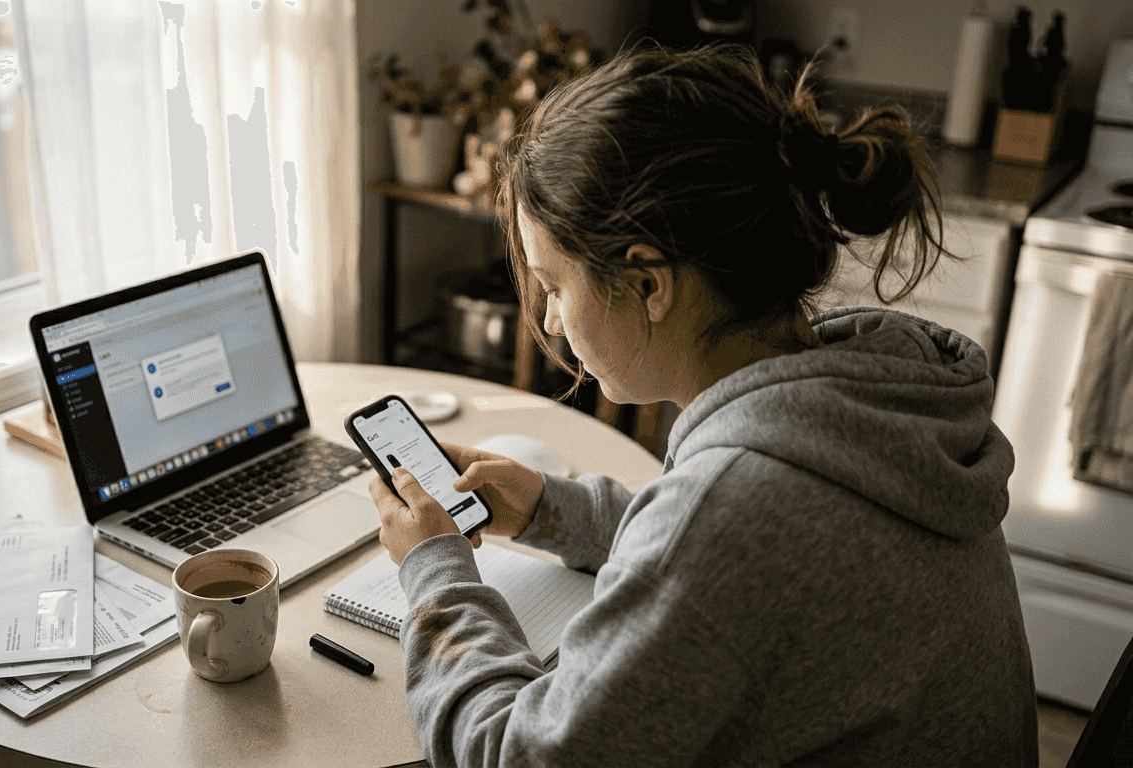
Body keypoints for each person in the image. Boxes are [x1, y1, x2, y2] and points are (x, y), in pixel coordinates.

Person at [368, 44, 1037, 767]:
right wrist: (553, 512)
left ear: (650, 284)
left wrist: (436, 573)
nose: (553, 322)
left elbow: (519, 756)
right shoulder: (882, 398)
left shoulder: (728, 513)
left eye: (556, 285)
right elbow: (763, 562)